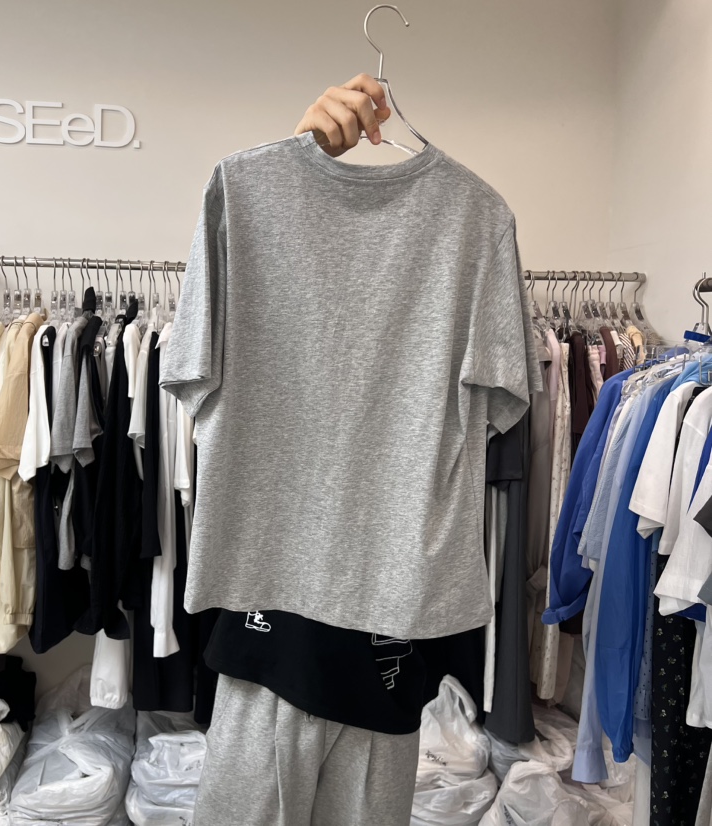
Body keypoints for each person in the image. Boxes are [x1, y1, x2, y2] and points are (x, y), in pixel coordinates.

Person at [190, 75, 489, 826]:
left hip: (383, 658)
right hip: (275, 640)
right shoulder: (244, 194)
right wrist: (297, 163)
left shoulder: (478, 222)